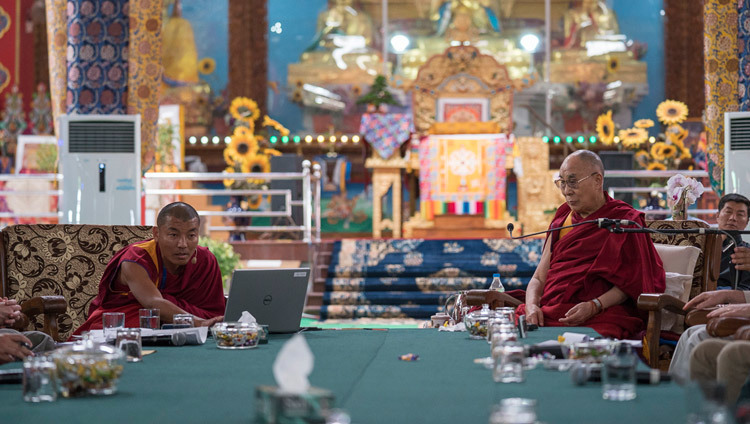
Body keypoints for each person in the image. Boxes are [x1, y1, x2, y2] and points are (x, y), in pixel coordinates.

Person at [513, 150, 665, 339]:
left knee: (603, 338)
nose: (567, 190)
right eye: (562, 182)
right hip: (550, 311)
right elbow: (538, 279)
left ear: (597, 180)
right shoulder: (562, 220)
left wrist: (595, 305)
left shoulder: (625, 220)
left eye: (573, 181)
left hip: (598, 314)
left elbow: (632, 283)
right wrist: (532, 306)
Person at [72, 202, 226, 335]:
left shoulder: (205, 260)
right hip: (132, 326)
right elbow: (153, 303)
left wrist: (207, 322)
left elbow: (213, 310)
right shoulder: (136, 258)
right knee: (146, 316)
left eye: (191, 236)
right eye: (173, 235)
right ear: (156, 233)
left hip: (186, 328)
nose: (183, 244)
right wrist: (200, 324)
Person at [669, 194, 750, 380]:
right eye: (728, 212)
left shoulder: (744, 253)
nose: (733, 218)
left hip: (725, 305)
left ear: (746, 222)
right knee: (688, 334)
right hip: (692, 301)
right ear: (717, 215)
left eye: (740, 214)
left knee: (696, 337)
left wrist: (724, 297)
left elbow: (744, 290)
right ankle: (674, 391)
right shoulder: (699, 243)